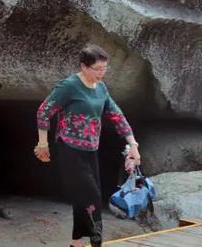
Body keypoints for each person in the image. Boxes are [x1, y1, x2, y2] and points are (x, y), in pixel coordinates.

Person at [33, 45, 141, 247]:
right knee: (92, 196)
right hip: (69, 150)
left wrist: (133, 144)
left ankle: (76, 243)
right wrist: (43, 144)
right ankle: (96, 242)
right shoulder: (69, 86)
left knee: (81, 198)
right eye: (97, 68)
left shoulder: (101, 88)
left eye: (105, 68)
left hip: (91, 150)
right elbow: (43, 111)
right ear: (84, 66)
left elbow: (116, 115)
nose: (102, 73)